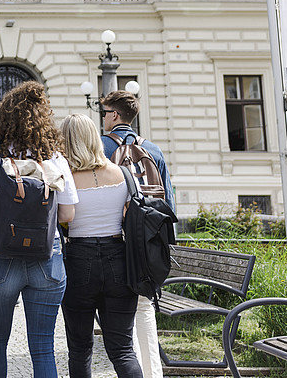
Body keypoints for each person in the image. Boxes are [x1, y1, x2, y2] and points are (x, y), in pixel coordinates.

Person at [0, 81, 78, 378]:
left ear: (2, 118)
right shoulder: (55, 159)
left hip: (2, 254)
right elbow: (68, 213)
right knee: (43, 346)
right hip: (46, 255)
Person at [60, 114, 143, 378]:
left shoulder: (65, 178)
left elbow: (63, 219)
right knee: (122, 349)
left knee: (80, 348)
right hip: (118, 259)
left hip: (78, 261)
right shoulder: (123, 174)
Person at [101, 89, 173, 378]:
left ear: (114, 114)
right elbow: (168, 200)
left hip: (116, 238)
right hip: (148, 241)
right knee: (144, 309)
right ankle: (153, 373)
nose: (103, 117)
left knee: (118, 310)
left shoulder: (101, 148)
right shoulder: (153, 149)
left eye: (105, 112)